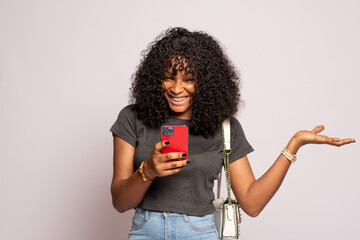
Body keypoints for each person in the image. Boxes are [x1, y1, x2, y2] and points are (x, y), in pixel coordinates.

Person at [110, 27, 355, 240]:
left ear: (206, 82)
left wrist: (294, 144)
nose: (177, 88)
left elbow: (252, 203)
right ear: (155, 79)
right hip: (145, 230)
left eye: (189, 79)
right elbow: (120, 202)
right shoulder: (132, 118)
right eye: (168, 78)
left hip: (200, 231)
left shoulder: (225, 128)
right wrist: (148, 171)